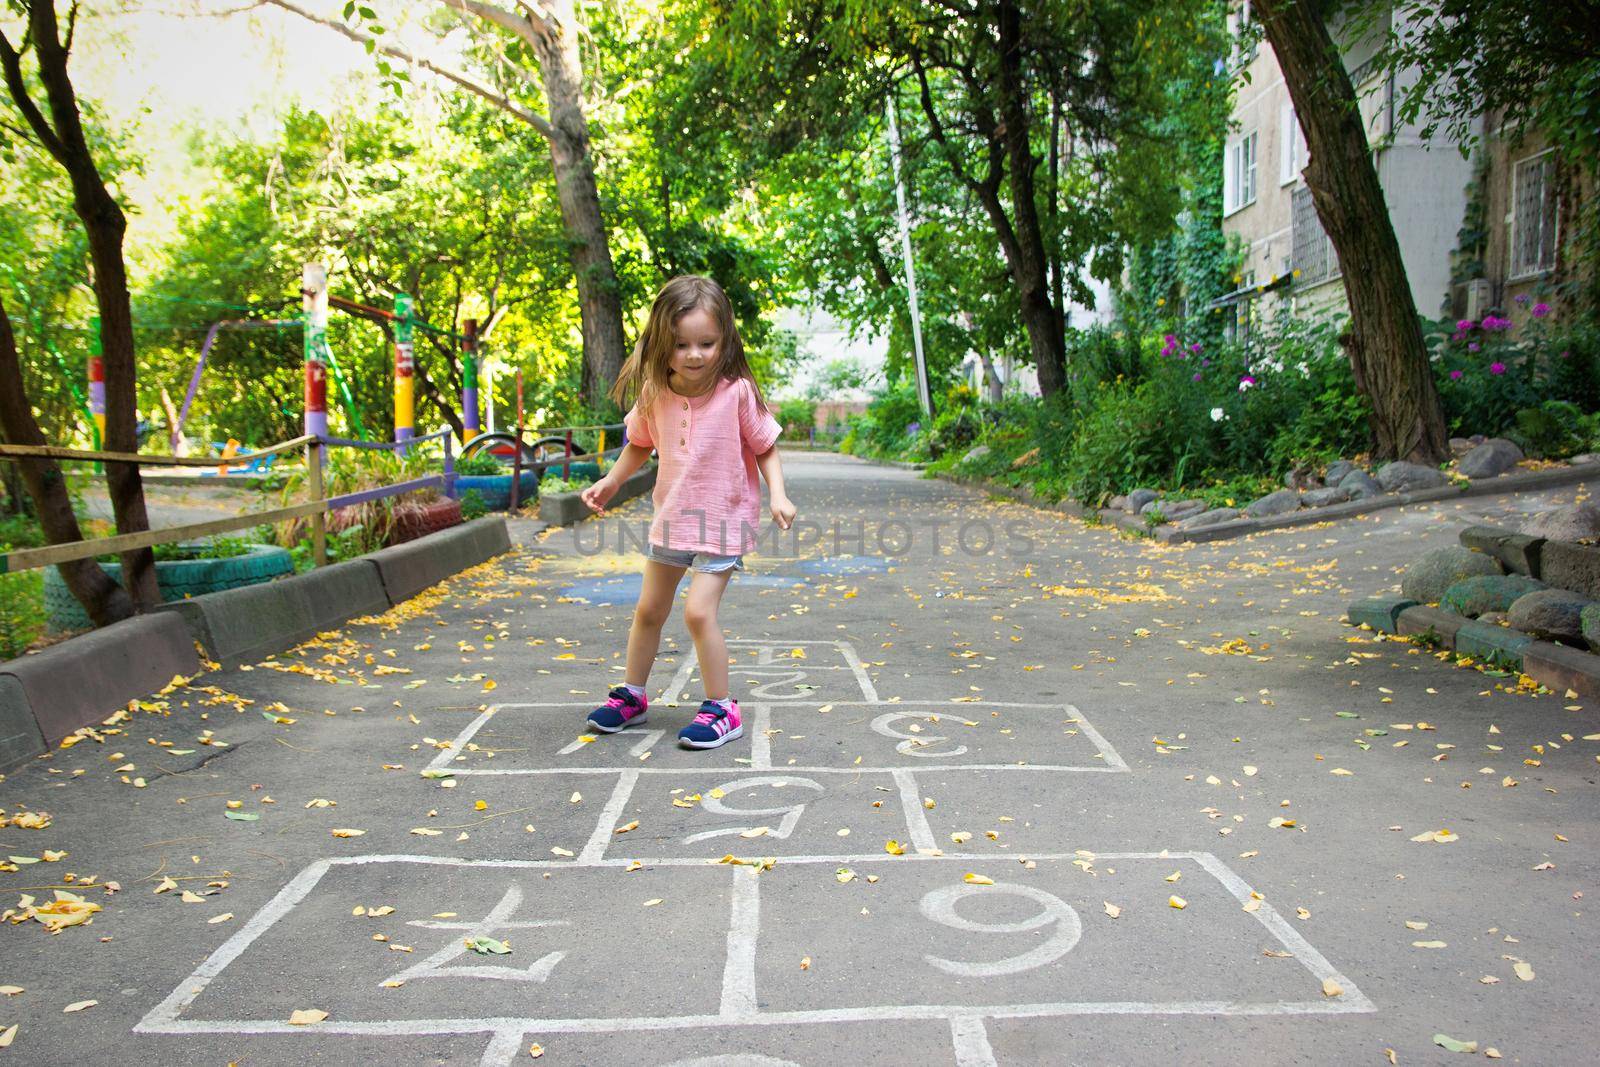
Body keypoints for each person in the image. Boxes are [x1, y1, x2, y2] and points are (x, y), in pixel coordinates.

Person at [578, 276, 797, 750]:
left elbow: (766, 447)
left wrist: (778, 494)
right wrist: (612, 482)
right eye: (681, 345)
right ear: (662, 342)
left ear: (725, 340)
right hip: (673, 518)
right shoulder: (656, 391)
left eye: (706, 343)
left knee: (699, 613)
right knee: (649, 609)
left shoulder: (735, 392)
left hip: (723, 520)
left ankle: (722, 707)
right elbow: (639, 442)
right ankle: (632, 696)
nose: (694, 355)